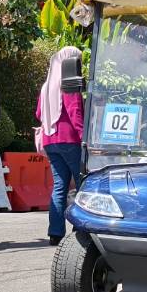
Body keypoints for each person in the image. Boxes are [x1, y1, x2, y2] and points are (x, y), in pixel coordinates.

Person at [36, 46, 83, 245]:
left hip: (50, 140)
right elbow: (75, 112)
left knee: (59, 186)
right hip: (69, 139)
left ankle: (55, 233)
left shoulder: (46, 86)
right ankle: (81, 228)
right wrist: (84, 138)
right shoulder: (69, 83)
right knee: (83, 185)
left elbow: (39, 114)